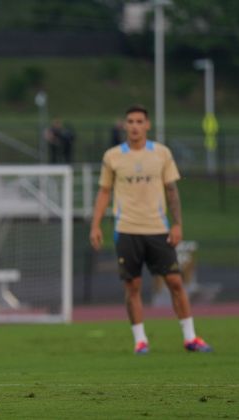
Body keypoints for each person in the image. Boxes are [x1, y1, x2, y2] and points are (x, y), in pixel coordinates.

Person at [89, 105, 212, 355]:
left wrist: (177, 224)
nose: (134, 126)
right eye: (130, 121)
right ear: (125, 125)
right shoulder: (112, 156)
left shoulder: (161, 153)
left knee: (175, 282)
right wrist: (95, 225)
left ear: (147, 125)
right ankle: (140, 340)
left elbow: (172, 191)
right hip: (126, 229)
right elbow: (104, 192)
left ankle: (190, 338)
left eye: (139, 121)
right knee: (132, 286)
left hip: (158, 229)